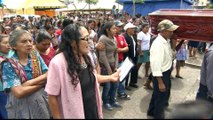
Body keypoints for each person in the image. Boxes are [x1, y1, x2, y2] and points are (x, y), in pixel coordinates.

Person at [45, 24, 120, 119]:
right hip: (74, 113)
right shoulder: (58, 63)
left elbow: (92, 77)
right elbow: (52, 96)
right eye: (86, 38)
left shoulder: (87, 57)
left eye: (89, 38)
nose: (90, 42)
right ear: (72, 42)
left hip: (92, 110)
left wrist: (110, 77)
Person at [1, 29, 51, 119]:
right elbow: (19, 92)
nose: (29, 44)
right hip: (21, 106)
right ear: (14, 46)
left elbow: (48, 74)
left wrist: (29, 83)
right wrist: (42, 83)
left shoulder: (35, 56)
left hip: (41, 102)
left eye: (30, 41)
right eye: (24, 41)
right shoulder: (8, 64)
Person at [147, 19, 179, 119]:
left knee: (157, 95)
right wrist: (160, 82)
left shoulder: (166, 41)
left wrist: (177, 42)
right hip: (160, 75)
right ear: (163, 30)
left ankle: (151, 111)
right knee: (161, 98)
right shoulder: (158, 44)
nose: (172, 33)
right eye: (170, 31)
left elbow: (172, 55)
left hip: (165, 72)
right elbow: (155, 65)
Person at [97, 21, 121, 111]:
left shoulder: (114, 38)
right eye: (113, 28)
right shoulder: (102, 39)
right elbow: (102, 56)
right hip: (105, 66)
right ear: (107, 30)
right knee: (107, 86)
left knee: (115, 84)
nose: (116, 30)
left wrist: (115, 66)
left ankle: (112, 100)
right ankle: (106, 102)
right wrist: (109, 69)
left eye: (116, 28)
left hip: (113, 64)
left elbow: (116, 52)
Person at [123, 22, 139, 89]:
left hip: (134, 56)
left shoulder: (134, 36)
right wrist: (128, 57)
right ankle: (125, 85)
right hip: (128, 57)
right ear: (128, 29)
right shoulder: (125, 37)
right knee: (127, 71)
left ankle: (132, 82)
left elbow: (135, 46)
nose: (133, 30)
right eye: (132, 29)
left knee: (135, 69)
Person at [0, 35, 10, 119]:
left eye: (9, 42)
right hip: (2, 90)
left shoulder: (12, 54)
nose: (8, 45)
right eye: (5, 43)